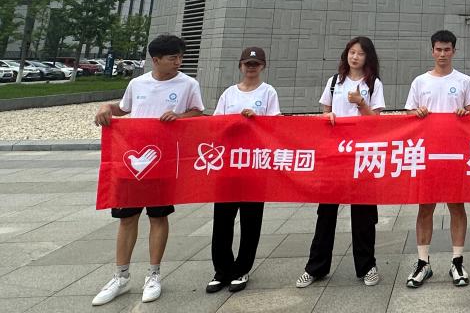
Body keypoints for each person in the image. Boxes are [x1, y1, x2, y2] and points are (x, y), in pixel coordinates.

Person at [92, 34, 204, 306]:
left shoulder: (188, 84)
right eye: (173, 58)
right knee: (127, 218)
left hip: (163, 161)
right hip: (131, 160)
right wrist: (106, 108)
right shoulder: (137, 83)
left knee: (158, 216)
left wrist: (180, 116)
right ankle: (121, 276)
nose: (178, 62)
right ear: (156, 60)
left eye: (180, 57)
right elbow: (123, 109)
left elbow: (198, 112)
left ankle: (153, 275)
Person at [296, 37, 385, 289]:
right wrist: (328, 116)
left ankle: (367, 266)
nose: (355, 57)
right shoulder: (335, 81)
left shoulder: (373, 83)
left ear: (368, 57)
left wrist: (361, 103)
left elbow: (376, 121)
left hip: (362, 155)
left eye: (360, 53)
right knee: (326, 212)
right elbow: (324, 112)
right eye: (351, 52)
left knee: (363, 213)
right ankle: (316, 267)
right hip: (335, 155)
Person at [404, 30, 470, 288]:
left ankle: (457, 261)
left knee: (457, 206)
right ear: (432, 51)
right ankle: (423, 262)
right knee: (425, 207)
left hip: (455, 155)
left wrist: (465, 114)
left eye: (447, 50)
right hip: (427, 154)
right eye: (439, 49)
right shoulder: (420, 82)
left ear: (454, 51)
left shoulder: (464, 81)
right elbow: (409, 116)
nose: (443, 54)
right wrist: (417, 113)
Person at [207, 47, 281, 294]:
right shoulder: (229, 93)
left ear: (263, 66)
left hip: (254, 164)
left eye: (256, 64)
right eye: (247, 63)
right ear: (240, 65)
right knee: (222, 219)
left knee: (251, 220)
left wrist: (256, 119)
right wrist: (232, 123)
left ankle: (242, 268)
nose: (251, 68)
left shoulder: (268, 92)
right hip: (228, 164)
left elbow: (275, 125)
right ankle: (222, 270)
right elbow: (215, 124)